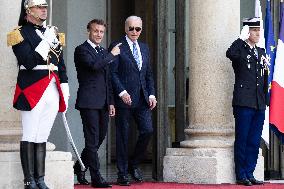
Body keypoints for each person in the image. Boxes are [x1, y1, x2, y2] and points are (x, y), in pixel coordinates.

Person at [7, 0, 69, 188]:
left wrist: (65, 87)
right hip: (32, 89)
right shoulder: (19, 34)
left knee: (42, 135)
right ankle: (29, 180)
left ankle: (40, 179)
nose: (44, 10)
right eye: (40, 7)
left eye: (45, 7)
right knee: (30, 133)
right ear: (29, 10)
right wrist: (47, 40)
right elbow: (30, 61)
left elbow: (60, 64)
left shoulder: (52, 32)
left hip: (52, 88)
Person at [109, 15, 157, 186]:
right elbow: (112, 73)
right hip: (124, 100)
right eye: (131, 28)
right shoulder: (117, 46)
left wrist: (151, 94)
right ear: (125, 29)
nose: (135, 32)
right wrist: (121, 92)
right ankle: (122, 173)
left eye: (138, 29)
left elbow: (148, 74)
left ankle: (133, 165)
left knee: (147, 130)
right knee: (123, 136)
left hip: (142, 99)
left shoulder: (144, 47)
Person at [73, 19, 121, 188]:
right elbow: (94, 66)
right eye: (96, 31)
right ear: (89, 31)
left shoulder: (102, 51)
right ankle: (96, 178)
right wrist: (112, 54)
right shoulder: (81, 50)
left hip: (103, 103)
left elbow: (107, 80)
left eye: (101, 32)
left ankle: (79, 166)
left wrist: (111, 103)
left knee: (98, 139)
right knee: (92, 140)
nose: (99, 34)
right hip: (88, 102)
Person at [226, 17, 269, 186]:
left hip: (259, 102)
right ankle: (241, 174)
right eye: (254, 30)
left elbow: (264, 78)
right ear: (247, 32)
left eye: (259, 30)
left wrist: (265, 100)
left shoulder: (262, 52)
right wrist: (240, 38)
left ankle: (250, 172)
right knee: (242, 139)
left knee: (253, 140)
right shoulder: (240, 50)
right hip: (244, 102)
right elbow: (230, 53)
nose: (257, 33)